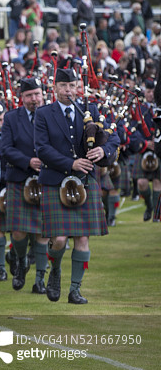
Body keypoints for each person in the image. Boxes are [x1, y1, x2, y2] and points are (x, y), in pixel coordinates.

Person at [33, 68, 119, 303]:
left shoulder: (91, 111)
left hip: (85, 181)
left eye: (72, 86)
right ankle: (55, 269)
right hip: (55, 180)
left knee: (82, 238)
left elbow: (114, 137)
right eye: (63, 86)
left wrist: (104, 150)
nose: (68, 90)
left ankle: (75, 290)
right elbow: (42, 148)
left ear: (78, 88)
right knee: (59, 239)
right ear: (55, 88)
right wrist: (71, 163)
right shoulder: (43, 113)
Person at [0, 78, 49, 292]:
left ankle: (40, 280)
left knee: (43, 233)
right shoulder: (11, 117)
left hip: (47, 179)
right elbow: (5, 148)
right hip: (20, 178)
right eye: (29, 95)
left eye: (37, 94)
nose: (34, 99)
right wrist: (28, 161)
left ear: (43, 95)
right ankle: (20, 262)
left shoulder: (51, 115)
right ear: (22, 97)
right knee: (18, 232)